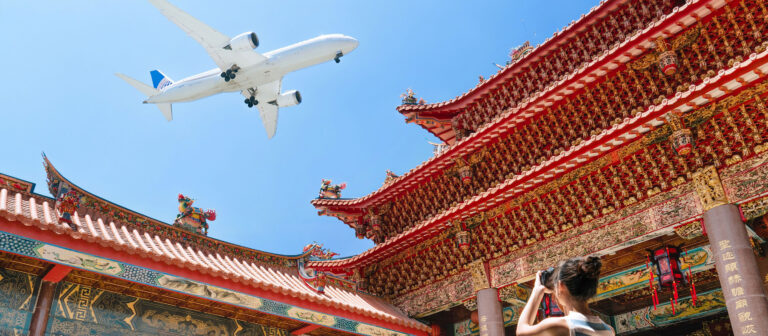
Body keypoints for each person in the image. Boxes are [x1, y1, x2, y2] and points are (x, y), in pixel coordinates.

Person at [516, 256, 615, 336]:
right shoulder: (609, 331)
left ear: (561, 285)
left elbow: (521, 332)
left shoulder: (562, 326)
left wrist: (537, 290)